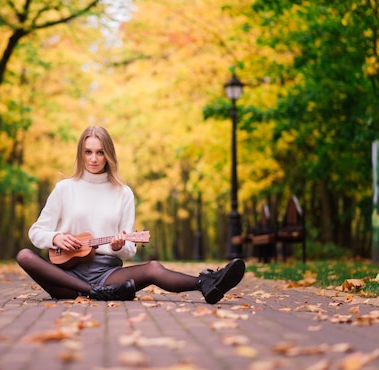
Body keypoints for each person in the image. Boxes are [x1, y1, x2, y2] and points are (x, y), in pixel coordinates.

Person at [16, 125, 245, 302]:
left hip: (107, 273)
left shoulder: (123, 193)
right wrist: (55, 238)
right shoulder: (65, 188)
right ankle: (96, 292)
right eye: (88, 152)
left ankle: (205, 282)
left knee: (154, 267)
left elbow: (129, 250)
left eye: (100, 152)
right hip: (65, 277)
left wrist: (118, 247)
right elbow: (36, 232)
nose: (94, 159)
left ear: (109, 155)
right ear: (81, 154)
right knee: (25, 256)